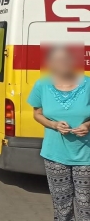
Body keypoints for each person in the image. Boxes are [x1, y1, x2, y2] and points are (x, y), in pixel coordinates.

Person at [28, 45, 90, 221]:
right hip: (55, 155)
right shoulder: (42, 85)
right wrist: (54, 125)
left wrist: (87, 126)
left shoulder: (88, 84)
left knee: (86, 206)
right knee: (62, 206)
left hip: (86, 155)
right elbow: (37, 114)